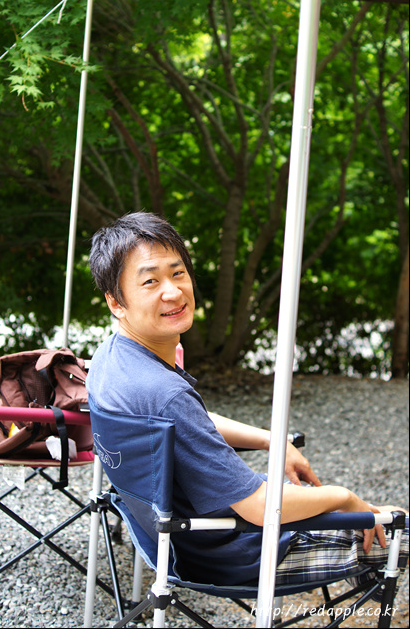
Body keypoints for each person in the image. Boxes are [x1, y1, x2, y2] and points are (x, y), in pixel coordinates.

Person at [86, 211, 408, 588]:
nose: (172, 292)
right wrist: (343, 498)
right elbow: (257, 507)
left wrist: (272, 440)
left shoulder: (110, 359)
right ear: (116, 302)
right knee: (399, 527)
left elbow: (186, 423)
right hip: (237, 550)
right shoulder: (164, 394)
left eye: (177, 273)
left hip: (171, 540)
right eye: (150, 281)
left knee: (361, 516)